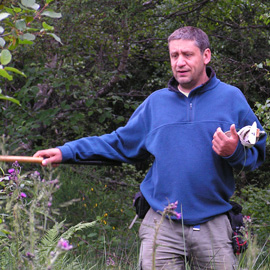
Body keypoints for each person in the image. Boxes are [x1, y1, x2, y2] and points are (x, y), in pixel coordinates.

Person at [34, 26, 266, 269]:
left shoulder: (231, 98)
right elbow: (119, 144)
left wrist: (235, 152)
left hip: (213, 223)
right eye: (174, 56)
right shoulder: (156, 103)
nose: (180, 62)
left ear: (206, 56)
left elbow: (256, 154)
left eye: (188, 55)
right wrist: (67, 152)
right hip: (162, 224)